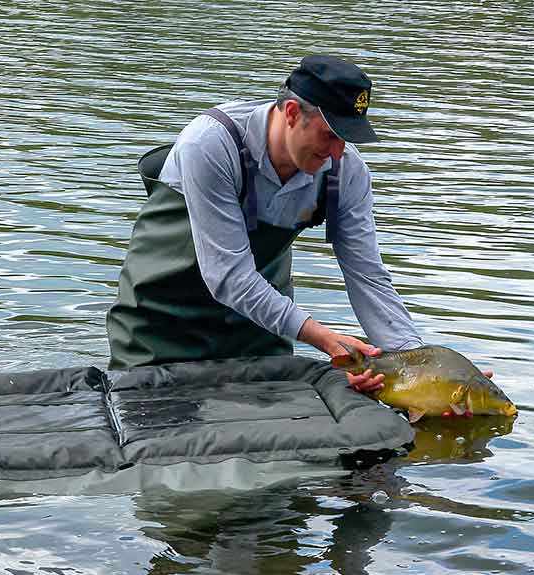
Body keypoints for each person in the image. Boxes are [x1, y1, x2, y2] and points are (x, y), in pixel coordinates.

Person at [107, 55, 424, 393]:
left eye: (346, 138)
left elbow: (367, 276)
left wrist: (417, 364)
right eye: (330, 135)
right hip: (160, 327)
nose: (337, 152)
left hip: (258, 333)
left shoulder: (347, 171)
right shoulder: (211, 143)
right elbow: (228, 276)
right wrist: (322, 337)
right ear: (292, 113)